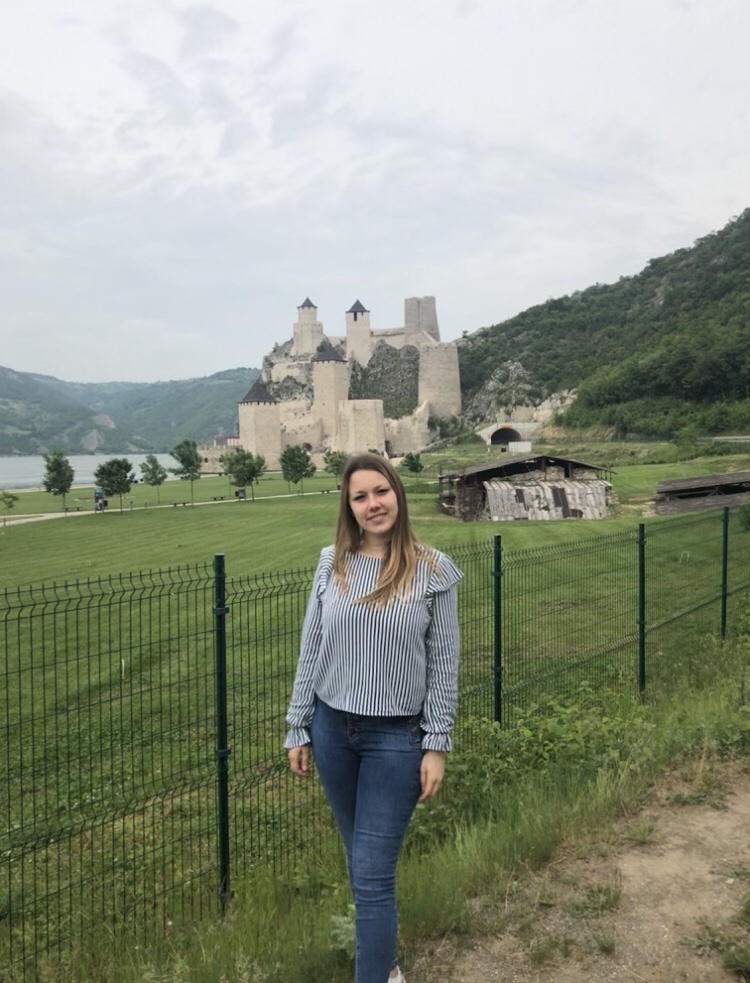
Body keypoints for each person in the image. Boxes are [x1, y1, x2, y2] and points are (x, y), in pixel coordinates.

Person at [285, 453, 462, 983]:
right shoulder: (332, 562)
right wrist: (298, 724)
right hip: (333, 730)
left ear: (397, 494)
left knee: (371, 874)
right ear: (349, 506)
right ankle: (386, 967)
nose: (372, 504)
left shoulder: (433, 569)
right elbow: (312, 647)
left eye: (380, 491)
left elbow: (444, 663)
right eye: (359, 496)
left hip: (396, 738)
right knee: (360, 860)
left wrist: (436, 743)